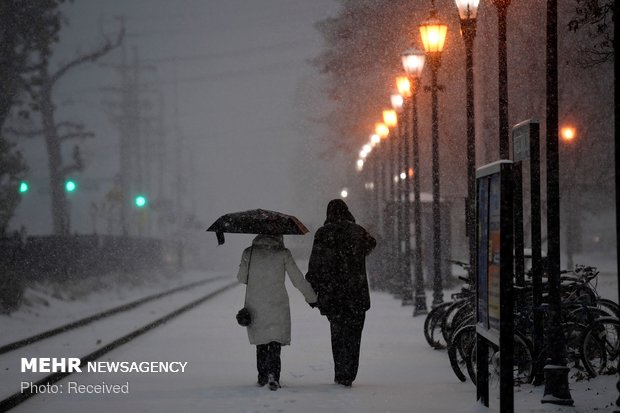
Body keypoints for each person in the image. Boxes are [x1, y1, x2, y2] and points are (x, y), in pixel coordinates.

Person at [306, 199, 376, 387]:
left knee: (338, 335)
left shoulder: (323, 233)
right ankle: (350, 374)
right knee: (354, 337)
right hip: (356, 294)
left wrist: (312, 291)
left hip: (333, 295)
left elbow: (315, 264)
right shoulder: (358, 231)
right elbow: (372, 243)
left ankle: (340, 372)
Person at [237, 234, 317, 390]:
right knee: (274, 341)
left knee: (261, 341)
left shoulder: (249, 252)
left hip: (256, 302)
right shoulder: (283, 253)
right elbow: (297, 279)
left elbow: (241, 278)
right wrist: (312, 298)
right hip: (277, 303)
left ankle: (262, 377)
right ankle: (274, 374)